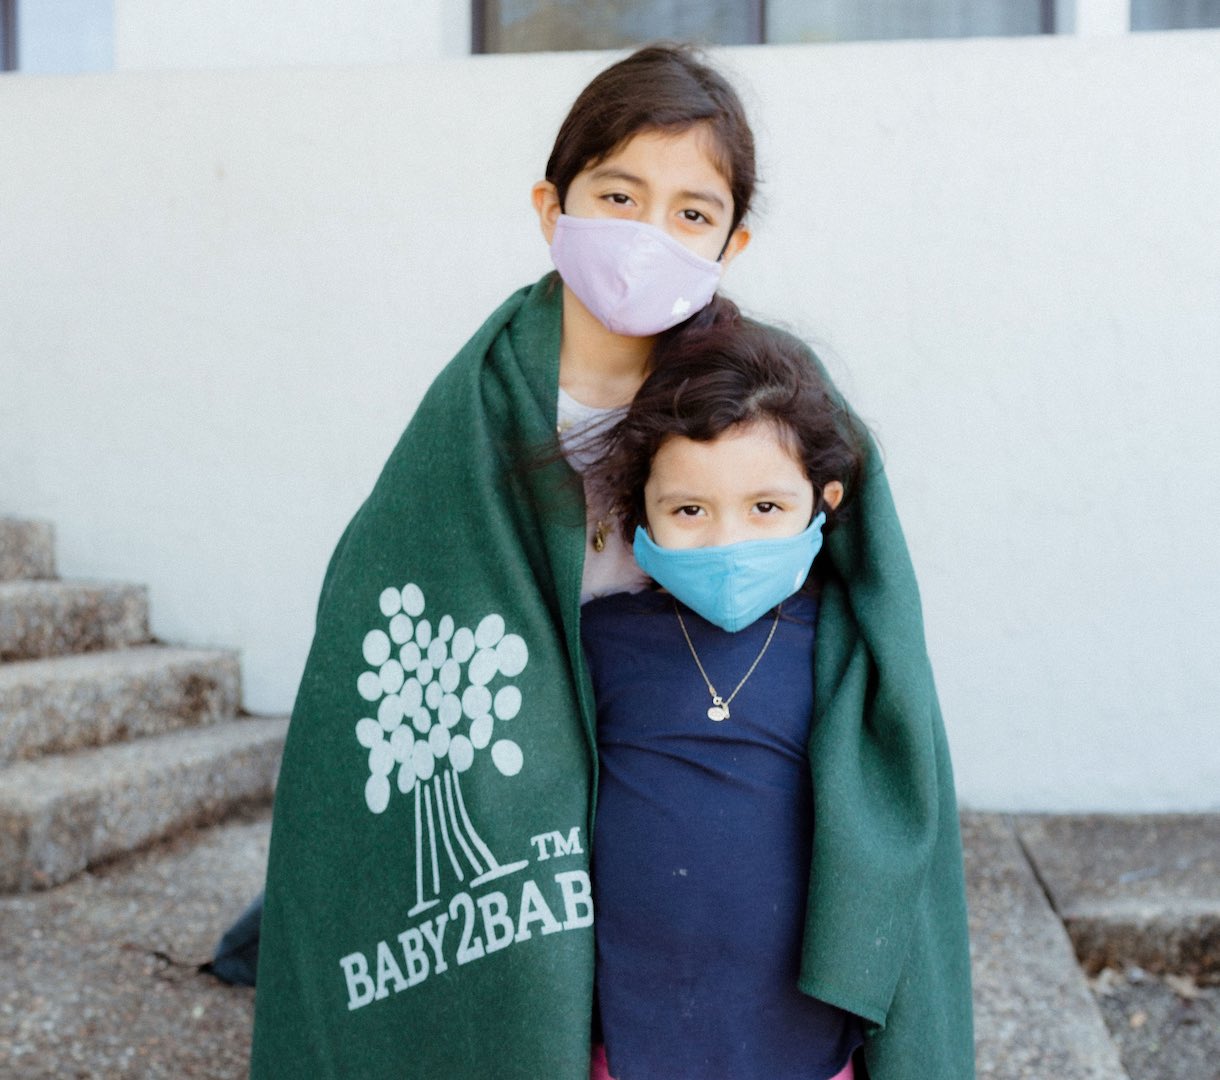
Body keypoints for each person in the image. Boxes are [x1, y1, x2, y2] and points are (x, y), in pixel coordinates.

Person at [249, 43, 974, 1080]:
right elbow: (401, 596)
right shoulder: (485, 401)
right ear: (552, 206)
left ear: (733, 238)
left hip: (708, 777)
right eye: (618, 195)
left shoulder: (756, 384)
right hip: (522, 751)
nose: (649, 235)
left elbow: (869, 622)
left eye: (691, 212)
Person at [578, 313, 866, 1080]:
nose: (728, 543)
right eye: (689, 511)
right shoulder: (601, 644)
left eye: (766, 508)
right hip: (635, 1024)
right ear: (641, 511)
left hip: (799, 1032)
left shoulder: (845, 650)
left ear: (823, 500)